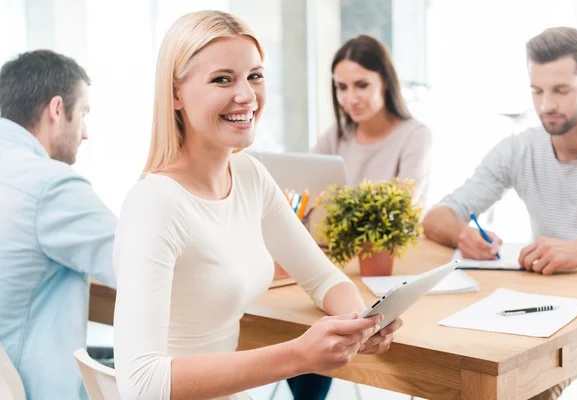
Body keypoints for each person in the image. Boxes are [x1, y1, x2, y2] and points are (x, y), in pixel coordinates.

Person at [112, 10, 403, 400]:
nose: (247, 95)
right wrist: (299, 355)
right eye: (222, 79)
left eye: (255, 75)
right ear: (176, 93)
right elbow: (141, 385)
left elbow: (323, 279)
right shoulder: (155, 204)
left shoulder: (248, 173)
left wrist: (360, 323)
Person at [423, 27, 577, 400]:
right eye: (537, 91)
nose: (546, 105)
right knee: (459, 379)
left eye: (560, 90)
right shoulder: (520, 149)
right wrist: (460, 235)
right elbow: (437, 216)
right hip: (551, 309)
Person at [0, 50, 117, 399]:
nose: (85, 134)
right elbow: (141, 266)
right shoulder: (50, 186)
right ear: (55, 110)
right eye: (82, 114)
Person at [313, 35, 432, 206]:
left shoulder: (415, 136)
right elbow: (308, 187)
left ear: (385, 82)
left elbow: (402, 205)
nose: (351, 99)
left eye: (362, 85)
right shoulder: (336, 134)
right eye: (342, 87)